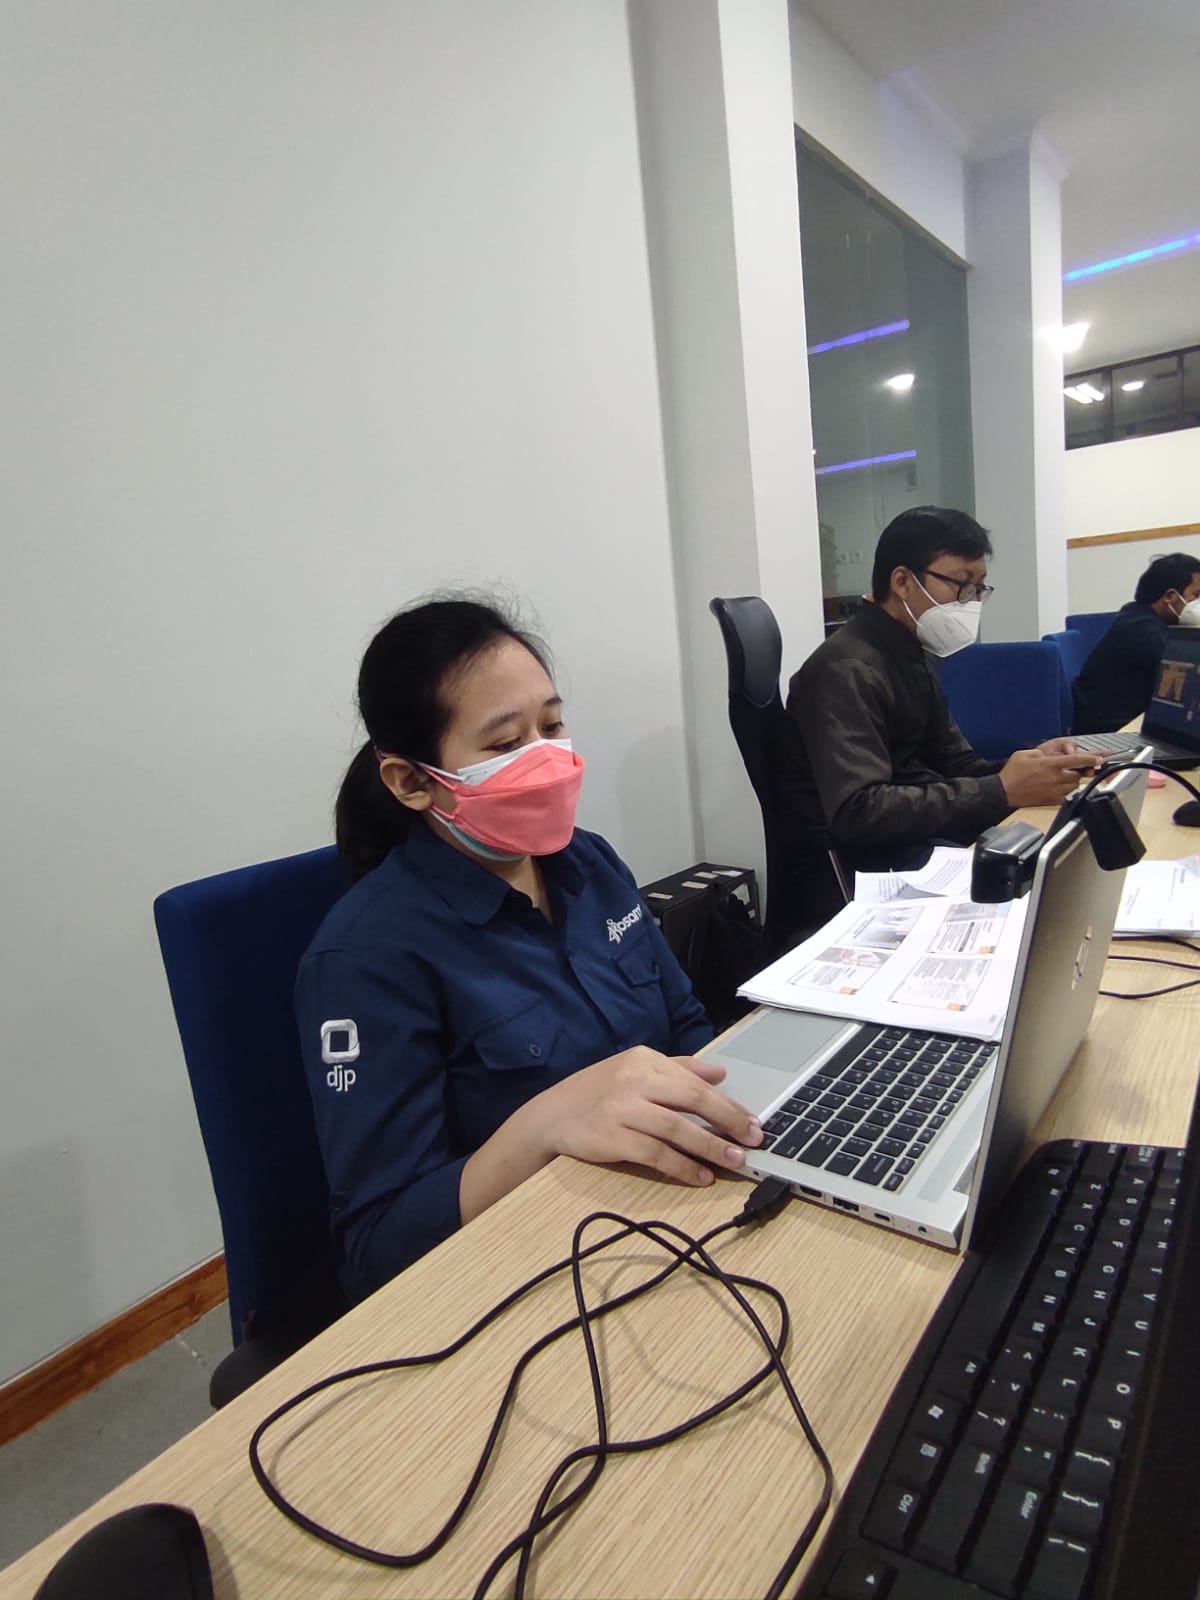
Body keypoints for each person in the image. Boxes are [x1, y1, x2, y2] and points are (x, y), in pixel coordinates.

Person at [296, 596, 762, 1302]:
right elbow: (377, 1247)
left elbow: (686, 1026)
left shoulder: (588, 862)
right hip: (535, 1266)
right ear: (412, 782)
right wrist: (545, 1123)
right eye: (505, 743)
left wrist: (745, 1124)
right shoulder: (365, 959)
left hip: (676, 1199)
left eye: (552, 725)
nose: (545, 758)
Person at [783, 506, 1100, 873]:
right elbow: (859, 811)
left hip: (914, 842)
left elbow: (953, 763)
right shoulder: (847, 669)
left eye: (978, 588)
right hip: (867, 867)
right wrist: (1001, 789)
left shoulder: (912, 651)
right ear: (902, 582)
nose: (972, 602)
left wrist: (1031, 766)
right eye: (960, 585)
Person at [1071, 551, 1200, 735]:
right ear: (1170, 596)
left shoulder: (1137, 616)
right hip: (1113, 731)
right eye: (1196, 595)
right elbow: (1191, 677)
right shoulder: (1143, 631)